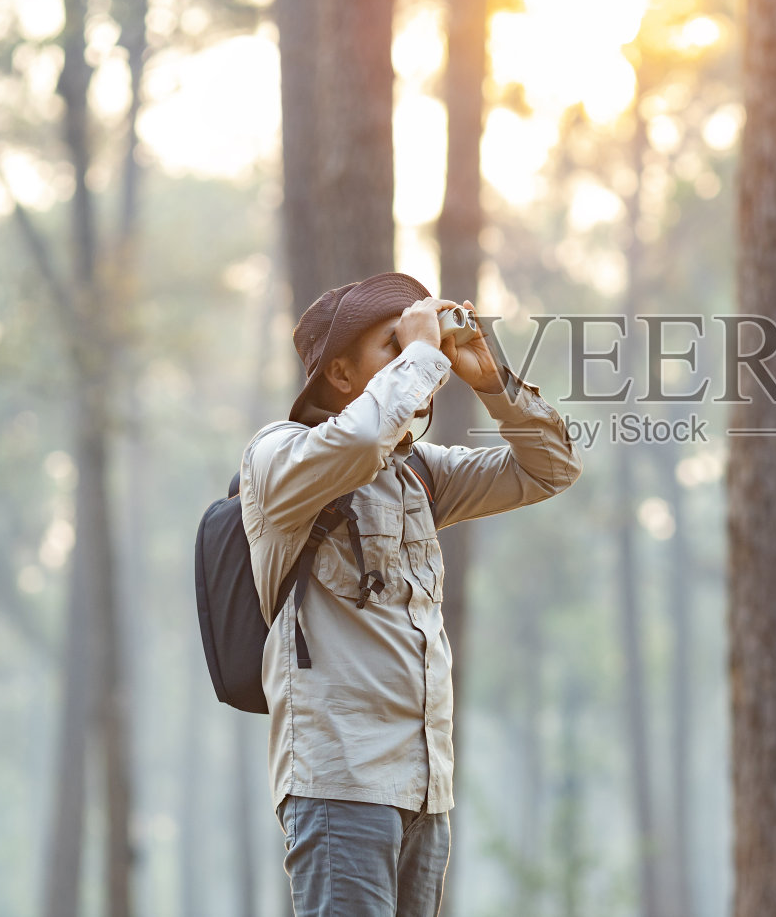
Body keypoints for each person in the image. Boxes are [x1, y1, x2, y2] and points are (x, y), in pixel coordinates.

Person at [239, 271, 583, 916]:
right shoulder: (278, 460)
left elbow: (551, 467)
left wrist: (491, 381)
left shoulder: (416, 473)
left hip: (425, 791)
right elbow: (362, 438)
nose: (420, 359)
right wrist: (424, 354)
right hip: (341, 783)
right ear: (340, 375)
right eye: (393, 346)